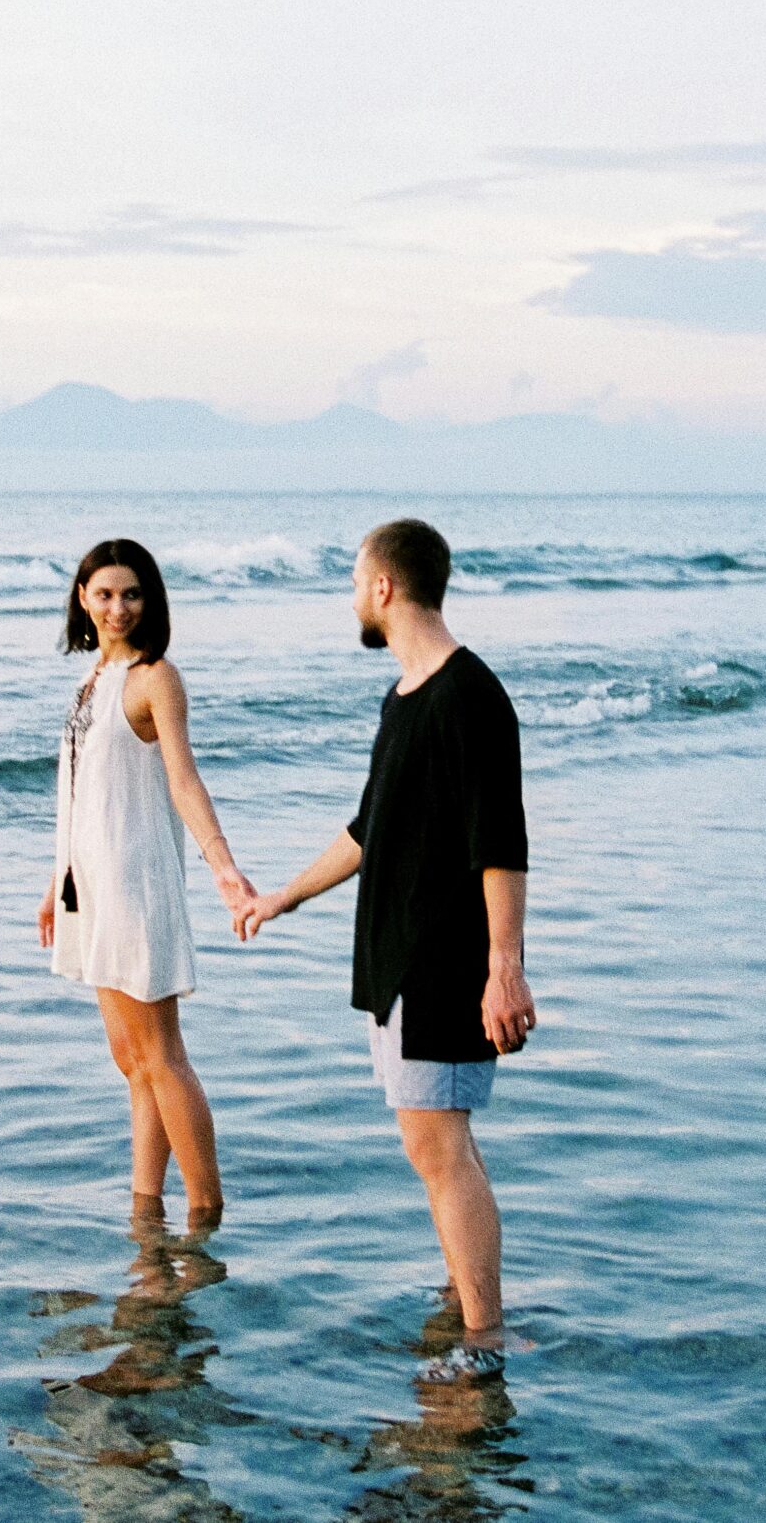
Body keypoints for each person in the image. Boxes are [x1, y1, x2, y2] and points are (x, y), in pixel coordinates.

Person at [234, 518, 536, 1383]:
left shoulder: (469, 696)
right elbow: (372, 828)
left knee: (439, 1147)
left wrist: (503, 966)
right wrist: (283, 896)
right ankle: (463, 1301)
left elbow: (500, 842)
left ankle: (482, 1340)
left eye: (354, 582)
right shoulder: (406, 694)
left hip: (444, 962)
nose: (350, 599)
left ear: (384, 588)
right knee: (435, 1145)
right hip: (396, 962)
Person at [42, 539, 256, 1221]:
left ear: (150, 599)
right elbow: (79, 795)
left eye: (131, 594)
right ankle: (147, 1209)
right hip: (91, 889)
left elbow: (183, 780)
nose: (117, 608)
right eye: (104, 594)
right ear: (82, 597)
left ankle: (204, 1211)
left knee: (162, 1056)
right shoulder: (93, 680)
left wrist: (223, 865)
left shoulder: (154, 677)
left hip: (136, 885)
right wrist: (55, 885)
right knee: (131, 1060)